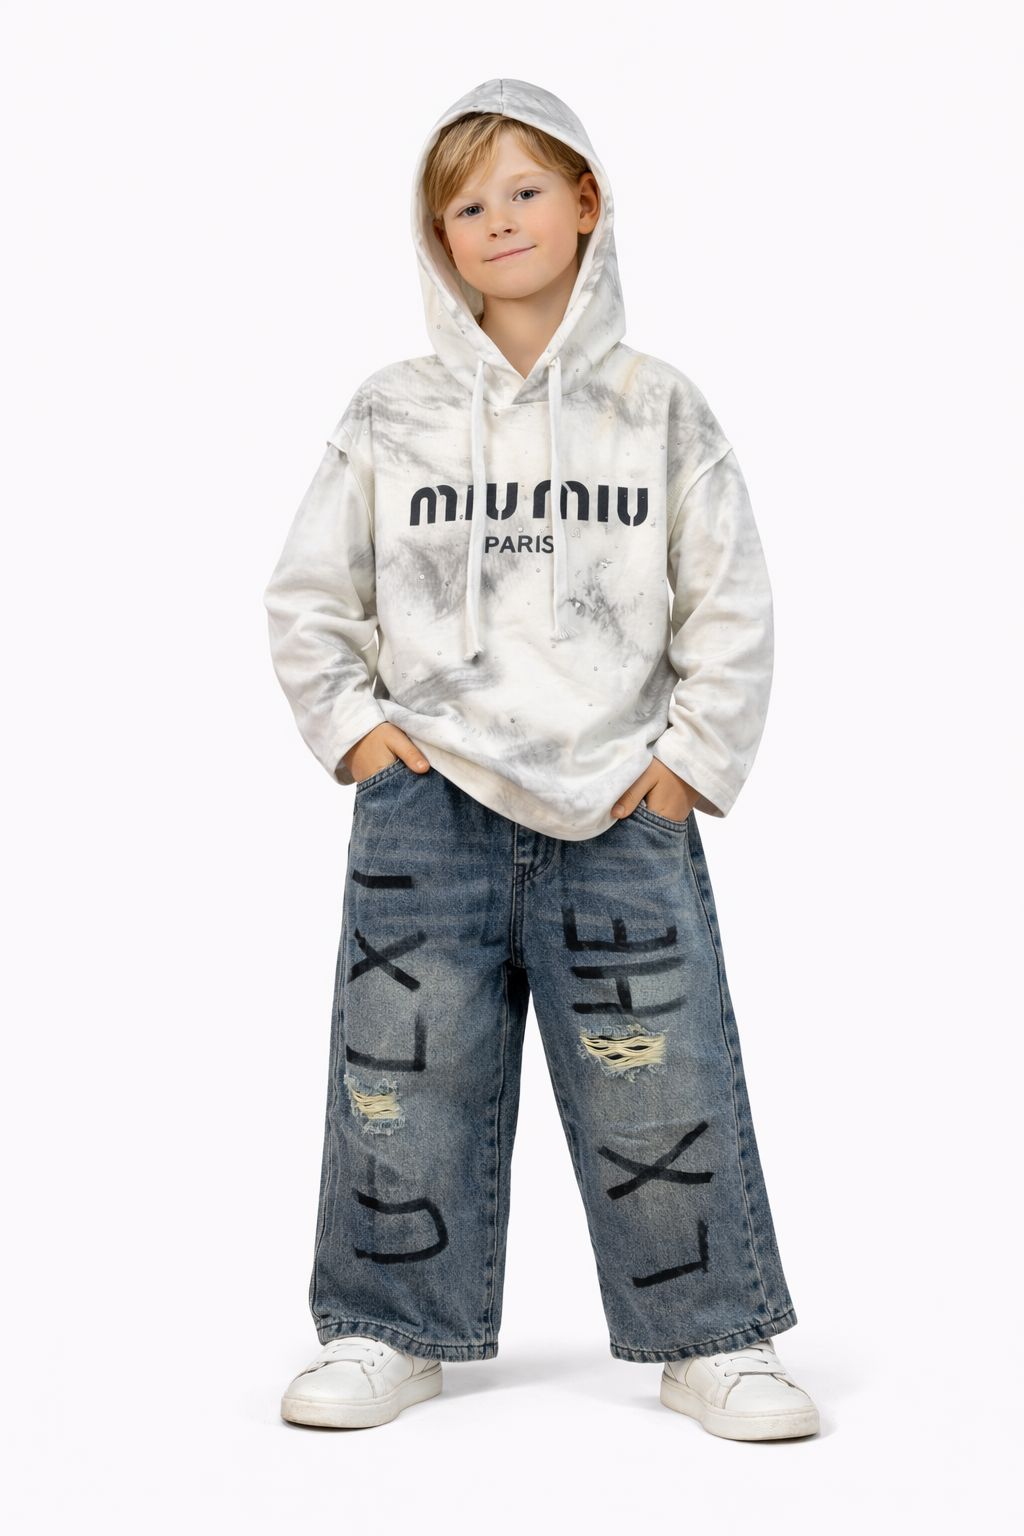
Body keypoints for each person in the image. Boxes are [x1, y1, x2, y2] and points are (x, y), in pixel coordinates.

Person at [262, 77, 820, 1440]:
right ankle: (389, 1327)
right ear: (436, 238)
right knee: (404, 1080)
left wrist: (690, 764)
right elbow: (310, 593)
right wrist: (360, 739)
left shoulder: (659, 409)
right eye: (467, 205)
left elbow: (730, 600)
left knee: (660, 1075)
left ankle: (713, 1336)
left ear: (586, 204)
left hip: (620, 803)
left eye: (524, 191)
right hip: (426, 808)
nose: (499, 220)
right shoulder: (391, 413)